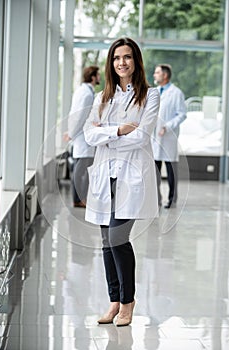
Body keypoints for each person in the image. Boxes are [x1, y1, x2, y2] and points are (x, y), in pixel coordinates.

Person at [83, 37, 160, 326]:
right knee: (106, 241)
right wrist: (119, 131)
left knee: (118, 238)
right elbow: (89, 135)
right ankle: (114, 301)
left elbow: (142, 136)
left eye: (127, 57)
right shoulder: (102, 97)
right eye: (117, 58)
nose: (122, 63)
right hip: (106, 177)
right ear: (110, 63)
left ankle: (128, 301)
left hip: (131, 177)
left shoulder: (149, 96)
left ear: (135, 61)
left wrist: (106, 134)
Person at [65, 66, 100, 207]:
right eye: (98, 75)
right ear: (92, 77)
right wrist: (71, 133)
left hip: (82, 136)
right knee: (80, 172)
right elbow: (79, 116)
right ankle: (78, 200)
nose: (99, 77)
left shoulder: (84, 91)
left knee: (82, 171)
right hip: (83, 138)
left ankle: (81, 199)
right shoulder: (86, 94)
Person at [152, 64, 186, 209]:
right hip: (154, 138)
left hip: (168, 138)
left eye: (157, 72)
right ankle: (156, 199)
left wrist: (167, 126)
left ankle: (172, 199)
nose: (154, 75)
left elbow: (182, 114)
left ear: (165, 75)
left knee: (171, 171)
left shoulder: (176, 93)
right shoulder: (154, 92)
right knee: (154, 172)